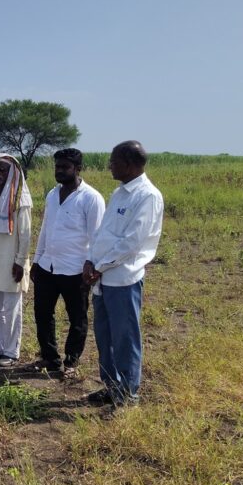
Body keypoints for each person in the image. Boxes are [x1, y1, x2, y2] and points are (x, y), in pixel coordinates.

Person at [84, 141, 164, 407]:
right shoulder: (120, 193)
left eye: (113, 161)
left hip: (123, 279)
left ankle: (128, 395)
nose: (109, 165)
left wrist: (99, 266)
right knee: (105, 337)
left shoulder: (147, 196)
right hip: (102, 277)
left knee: (125, 338)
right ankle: (111, 387)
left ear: (129, 165)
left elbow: (133, 242)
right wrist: (89, 260)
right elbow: (103, 233)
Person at [31, 148, 105, 378]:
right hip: (48, 266)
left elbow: (97, 236)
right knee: (43, 314)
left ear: (78, 169)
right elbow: (45, 229)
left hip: (76, 270)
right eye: (57, 166)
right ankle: (50, 358)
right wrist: (36, 260)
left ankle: (71, 361)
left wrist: (92, 265)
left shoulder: (91, 198)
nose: (60, 171)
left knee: (77, 318)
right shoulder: (53, 195)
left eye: (65, 167)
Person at [0, 154, 33, 367]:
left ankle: (11, 352)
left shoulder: (21, 198)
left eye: (3, 170)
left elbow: (26, 234)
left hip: (12, 261)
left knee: (11, 309)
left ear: (12, 172)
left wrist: (20, 261)